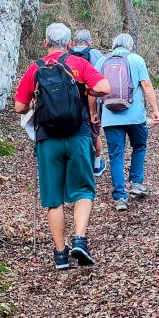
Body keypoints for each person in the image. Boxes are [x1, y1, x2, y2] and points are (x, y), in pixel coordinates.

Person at [14, 23, 110, 270]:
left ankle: (60, 255)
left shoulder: (35, 69)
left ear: (45, 43)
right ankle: (79, 239)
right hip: (78, 136)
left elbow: (19, 107)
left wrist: (36, 99)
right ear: (69, 45)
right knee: (84, 191)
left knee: (53, 197)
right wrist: (84, 89)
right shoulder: (78, 64)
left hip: (47, 140)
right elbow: (104, 88)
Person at [94, 33, 159, 212]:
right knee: (139, 146)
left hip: (110, 118)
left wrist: (93, 113)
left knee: (116, 155)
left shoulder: (101, 62)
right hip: (135, 116)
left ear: (114, 45)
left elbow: (92, 90)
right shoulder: (136, 59)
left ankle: (120, 198)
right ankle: (136, 183)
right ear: (129, 45)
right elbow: (146, 85)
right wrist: (155, 109)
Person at [69, 29, 107, 178]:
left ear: (72, 42)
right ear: (89, 42)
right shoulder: (95, 54)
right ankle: (96, 165)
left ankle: (74, 164)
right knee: (94, 133)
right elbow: (102, 81)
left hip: (70, 102)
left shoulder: (67, 54)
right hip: (91, 102)